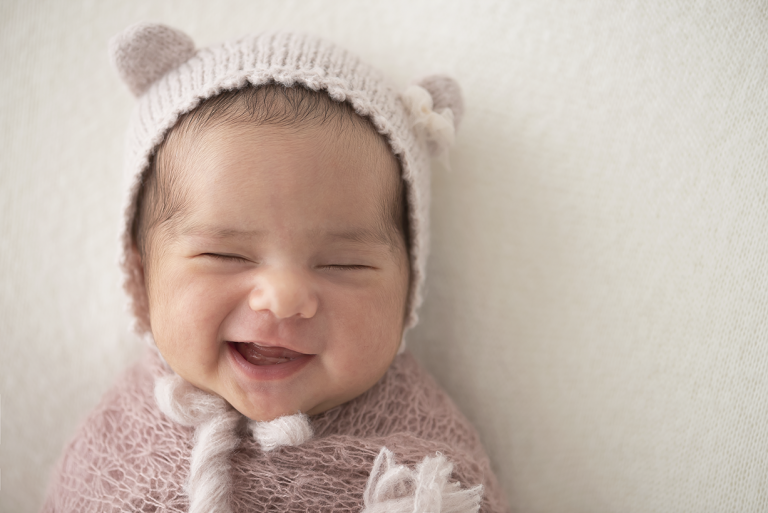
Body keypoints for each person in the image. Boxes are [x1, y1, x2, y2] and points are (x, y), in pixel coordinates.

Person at [41, 22, 508, 513]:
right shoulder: (119, 444)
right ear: (141, 279)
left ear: (409, 289)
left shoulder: (424, 469)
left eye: (341, 263)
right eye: (226, 255)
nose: (283, 296)